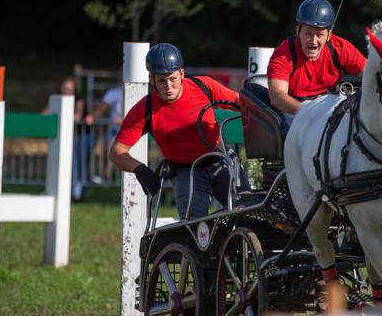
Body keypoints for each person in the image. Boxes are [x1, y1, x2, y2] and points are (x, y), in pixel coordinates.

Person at [109, 43, 248, 220]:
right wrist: (140, 169)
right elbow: (116, 152)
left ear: (182, 73)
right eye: (161, 80)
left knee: (247, 211)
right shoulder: (145, 109)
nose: (168, 85)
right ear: (151, 79)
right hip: (185, 170)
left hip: (220, 160)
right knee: (194, 226)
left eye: (172, 78)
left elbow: (242, 104)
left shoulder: (204, 86)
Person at [266, 0, 367, 122]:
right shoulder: (283, 54)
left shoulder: (341, 48)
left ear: (329, 35)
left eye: (319, 34)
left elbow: (372, 75)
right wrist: (311, 112)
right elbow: (277, 97)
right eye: (308, 33)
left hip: (331, 108)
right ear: (298, 31)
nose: (313, 41)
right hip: (294, 111)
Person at [45, 77, 91, 202]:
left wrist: (59, 116)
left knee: (79, 166)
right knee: (66, 164)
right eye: (65, 88)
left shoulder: (79, 100)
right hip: (66, 137)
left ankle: (78, 194)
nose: (67, 91)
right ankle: (66, 192)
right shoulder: (56, 99)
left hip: (81, 136)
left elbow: (77, 116)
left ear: (75, 89)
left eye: (70, 88)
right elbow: (44, 114)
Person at [85, 79, 123, 182]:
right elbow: (102, 107)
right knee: (109, 151)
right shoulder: (115, 92)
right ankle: (106, 177)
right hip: (115, 129)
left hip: (131, 128)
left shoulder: (140, 90)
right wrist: (92, 117)